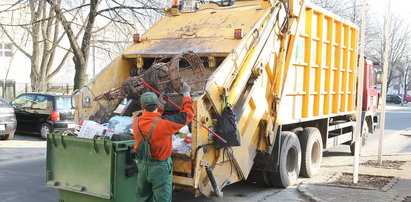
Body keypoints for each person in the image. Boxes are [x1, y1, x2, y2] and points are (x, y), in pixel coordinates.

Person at [133, 81, 194, 202]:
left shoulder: (135, 121)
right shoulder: (165, 124)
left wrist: (160, 106)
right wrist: (186, 93)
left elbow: (150, 118)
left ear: (142, 107)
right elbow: (187, 115)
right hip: (160, 168)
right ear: (155, 106)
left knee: (143, 199)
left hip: (142, 167)